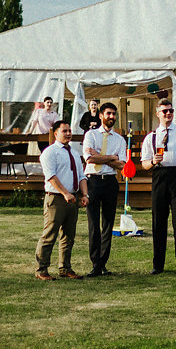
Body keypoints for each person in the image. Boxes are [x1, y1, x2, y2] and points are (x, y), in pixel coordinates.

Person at [141, 100, 176, 274]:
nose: (168, 114)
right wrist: (152, 162)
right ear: (158, 113)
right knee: (159, 221)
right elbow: (144, 163)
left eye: (170, 111)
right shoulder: (151, 136)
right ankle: (158, 265)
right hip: (159, 175)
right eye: (164, 111)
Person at [80, 101, 128, 277]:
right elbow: (89, 160)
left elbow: (122, 164)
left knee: (108, 224)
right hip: (93, 181)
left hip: (110, 181)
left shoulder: (120, 140)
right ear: (100, 115)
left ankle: (103, 263)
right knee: (93, 224)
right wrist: (110, 157)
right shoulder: (91, 135)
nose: (111, 117)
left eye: (114, 114)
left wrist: (100, 156)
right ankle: (95, 264)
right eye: (108, 114)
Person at [35, 119, 85, 280]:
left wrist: (84, 195)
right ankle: (41, 269)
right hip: (56, 199)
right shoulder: (50, 152)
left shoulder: (75, 153)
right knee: (50, 235)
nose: (68, 133)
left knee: (69, 236)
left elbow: (82, 176)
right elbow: (51, 176)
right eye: (65, 131)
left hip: (73, 198)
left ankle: (65, 268)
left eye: (69, 130)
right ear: (55, 133)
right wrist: (65, 193)